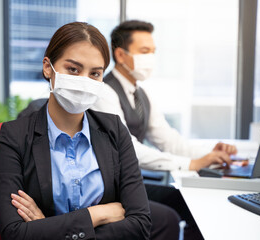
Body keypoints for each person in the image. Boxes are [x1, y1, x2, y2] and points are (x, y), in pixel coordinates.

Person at [0, 22, 178, 240]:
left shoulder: (115, 130)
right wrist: (96, 214)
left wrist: (48, 227)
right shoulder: (13, 136)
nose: (84, 81)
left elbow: (140, 225)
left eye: (95, 73)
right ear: (47, 68)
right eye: (73, 69)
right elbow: (15, 234)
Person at [92, 19, 237, 173]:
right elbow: (128, 147)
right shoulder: (105, 92)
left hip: (132, 181)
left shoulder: (141, 95)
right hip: (112, 188)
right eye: (144, 51)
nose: (151, 58)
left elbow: (168, 140)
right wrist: (191, 164)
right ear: (120, 55)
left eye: (153, 52)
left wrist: (210, 154)